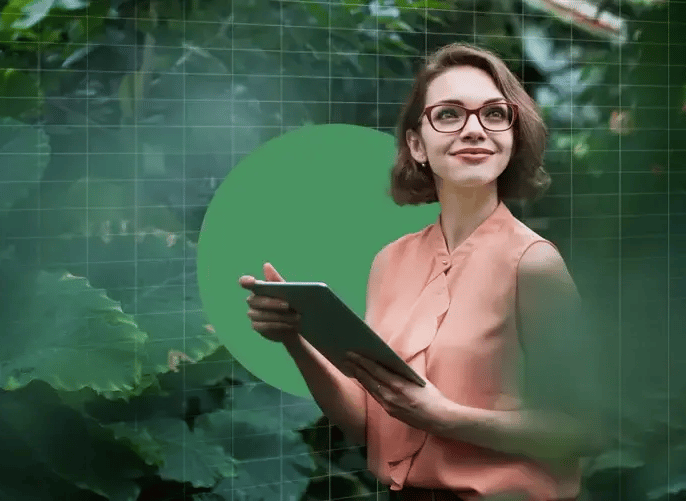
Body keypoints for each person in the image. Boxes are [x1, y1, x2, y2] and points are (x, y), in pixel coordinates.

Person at [239, 42, 608, 501]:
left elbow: (587, 431)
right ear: (417, 143)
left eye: (494, 114)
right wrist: (295, 339)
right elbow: (368, 425)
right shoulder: (389, 261)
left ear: (513, 136)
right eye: (450, 115)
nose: (475, 129)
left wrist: (446, 417)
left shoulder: (534, 263)